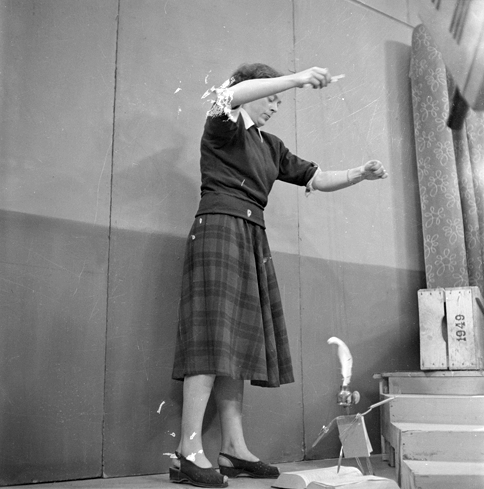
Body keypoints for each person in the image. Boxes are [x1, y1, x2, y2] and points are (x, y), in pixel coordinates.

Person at [170, 63, 388, 488]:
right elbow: (227, 95)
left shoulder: (270, 146)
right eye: (270, 97)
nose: (274, 105)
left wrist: (359, 174)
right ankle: (187, 451)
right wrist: (296, 78)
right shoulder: (224, 123)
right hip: (219, 228)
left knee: (234, 345)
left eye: (279, 101)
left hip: (252, 235)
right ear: (250, 89)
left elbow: (318, 178)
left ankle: (233, 448)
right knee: (209, 340)